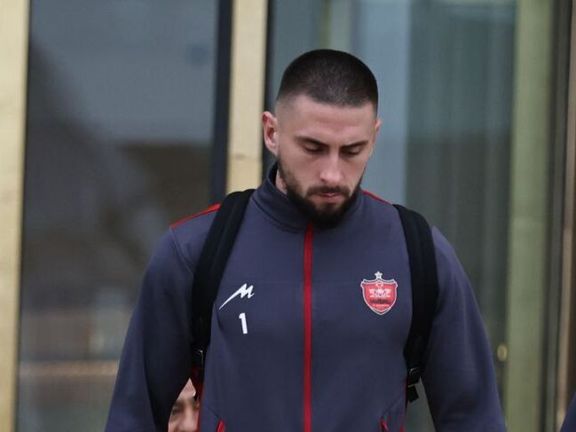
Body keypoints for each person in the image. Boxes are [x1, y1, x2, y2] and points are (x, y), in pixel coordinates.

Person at [105, 49, 505, 431]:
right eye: (313, 148)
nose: (332, 173)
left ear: (374, 137)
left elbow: (474, 419)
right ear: (271, 132)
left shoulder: (420, 253)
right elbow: (133, 417)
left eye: (352, 150)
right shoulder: (195, 251)